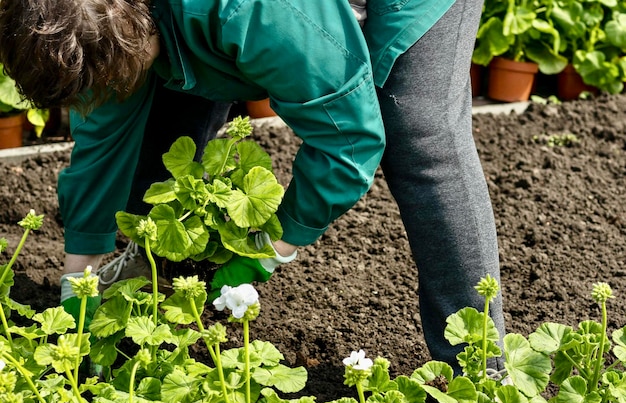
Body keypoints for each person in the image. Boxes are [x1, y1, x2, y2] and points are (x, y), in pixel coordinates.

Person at [0, 0, 505, 378]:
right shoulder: (90, 12)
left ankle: (483, 375)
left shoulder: (256, 10)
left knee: (417, 133)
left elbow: (348, 141)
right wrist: (79, 274)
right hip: (202, 21)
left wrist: (262, 255)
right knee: (160, 97)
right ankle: (150, 279)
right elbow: (105, 132)